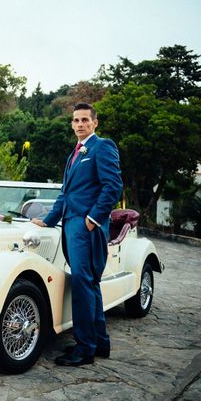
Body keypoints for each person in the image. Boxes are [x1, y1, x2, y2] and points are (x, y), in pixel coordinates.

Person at [32, 103, 123, 367]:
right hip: (70, 225)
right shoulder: (73, 154)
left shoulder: (102, 146)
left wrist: (93, 219)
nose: (80, 124)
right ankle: (99, 342)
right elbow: (65, 194)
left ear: (95, 123)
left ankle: (85, 349)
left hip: (86, 227)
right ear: (72, 124)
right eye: (75, 120)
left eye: (85, 120)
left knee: (83, 284)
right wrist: (48, 220)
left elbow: (113, 186)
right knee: (88, 284)